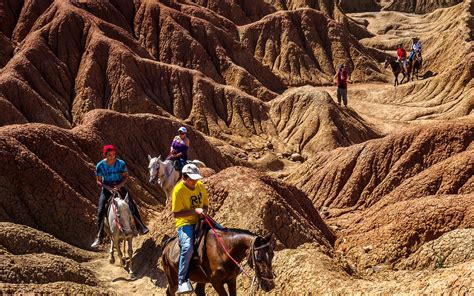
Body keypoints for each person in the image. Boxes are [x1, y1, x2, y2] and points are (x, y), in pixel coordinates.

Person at [91, 145, 149, 248]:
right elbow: (98, 181)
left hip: (120, 187)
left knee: (131, 204)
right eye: (110, 155)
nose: (112, 157)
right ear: (105, 155)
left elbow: (126, 177)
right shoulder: (100, 165)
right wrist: (108, 187)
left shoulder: (121, 163)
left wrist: (119, 186)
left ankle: (140, 226)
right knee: (100, 211)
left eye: (114, 154)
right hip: (107, 189)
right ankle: (99, 236)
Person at [171, 164, 209, 294]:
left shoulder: (199, 186)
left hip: (200, 220)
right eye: (192, 179)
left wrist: (204, 212)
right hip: (185, 223)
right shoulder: (178, 190)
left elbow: (205, 205)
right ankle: (182, 281)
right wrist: (194, 211)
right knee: (187, 247)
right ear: (184, 177)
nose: (195, 181)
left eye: (196, 179)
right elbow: (176, 214)